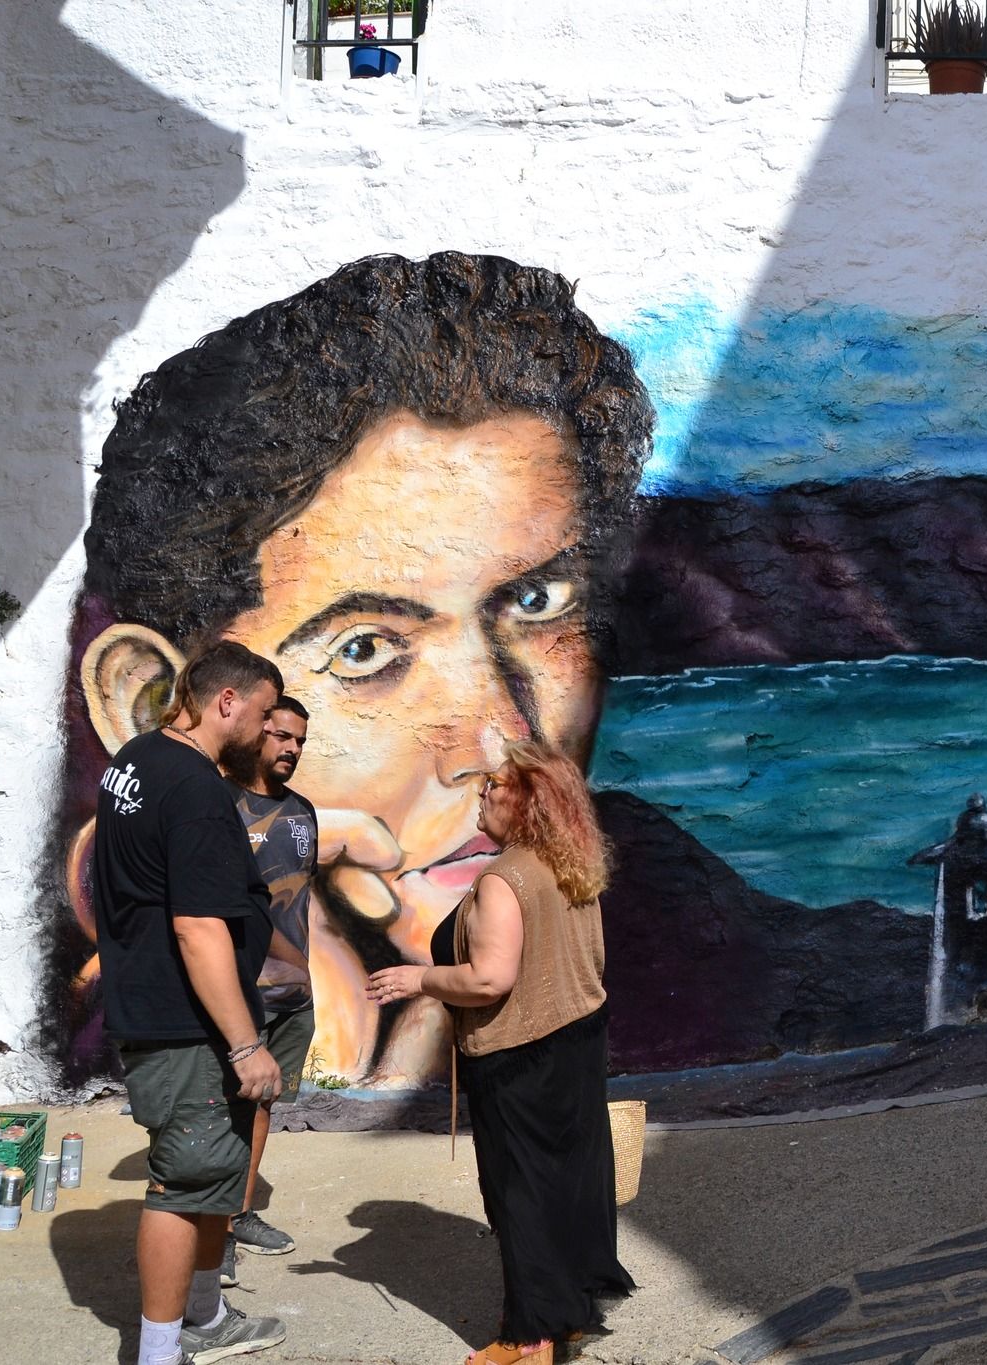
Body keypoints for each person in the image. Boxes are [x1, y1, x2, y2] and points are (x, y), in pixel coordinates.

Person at [56, 251, 653, 1089]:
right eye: (365, 649)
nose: (498, 739)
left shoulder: (720, 964)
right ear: (155, 703)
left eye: (538, 600)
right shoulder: (118, 1016)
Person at [367, 740, 637, 1365]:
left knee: (521, 1194)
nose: (482, 794)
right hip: (577, 1040)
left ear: (528, 801)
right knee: (570, 1182)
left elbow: (490, 979)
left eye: (495, 785)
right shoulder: (572, 864)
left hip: (518, 1055)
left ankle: (529, 1336)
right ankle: (569, 1311)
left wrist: (419, 979)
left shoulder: (504, 878)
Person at [93, 640, 290, 1365]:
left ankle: (205, 1316)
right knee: (181, 1183)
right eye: (264, 716)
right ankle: (159, 1351)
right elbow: (198, 928)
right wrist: (246, 1044)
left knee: (211, 1173)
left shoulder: (138, 757)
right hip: (187, 1024)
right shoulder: (196, 789)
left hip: (162, 1006)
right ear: (226, 702)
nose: (268, 732)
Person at [219, 697, 320, 1273]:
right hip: (235, 994)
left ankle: (238, 1212)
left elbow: (298, 901)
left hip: (293, 995)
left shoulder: (303, 812)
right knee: (221, 1111)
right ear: (257, 733)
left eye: (300, 740)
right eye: (283, 736)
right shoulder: (220, 804)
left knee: (263, 1105)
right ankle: (211, 1234)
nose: (292, 748)